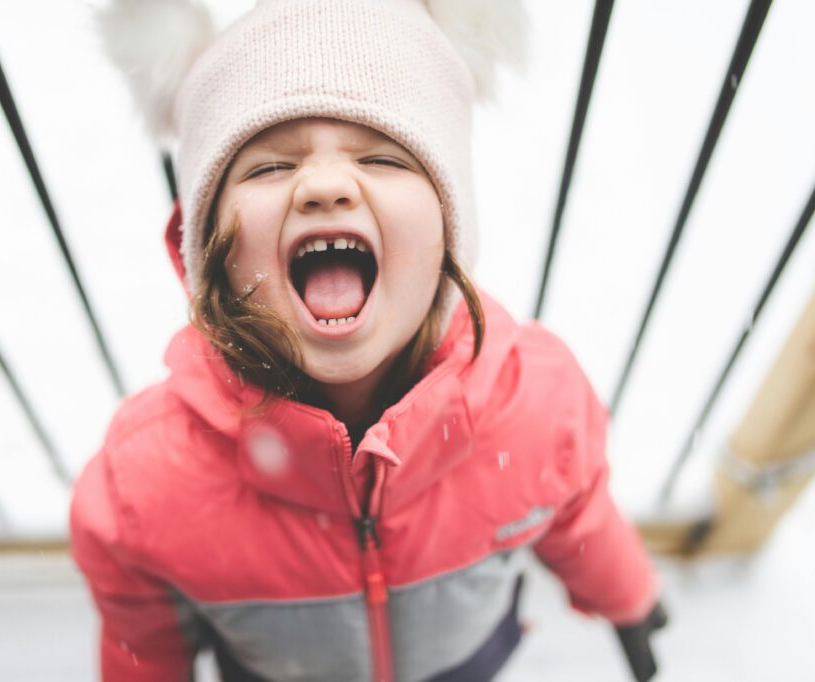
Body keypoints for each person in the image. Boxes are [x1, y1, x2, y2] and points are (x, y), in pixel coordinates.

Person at [70, 1, 666, 680]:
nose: (325, 185)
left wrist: (628, 595)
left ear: (449, 227)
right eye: (269, 168)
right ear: (208, 251)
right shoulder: (147, 482)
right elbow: (142, 640)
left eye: (382, 157)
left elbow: (581, 518)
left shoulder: (535, 405)